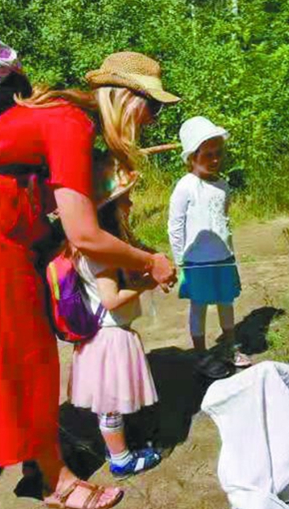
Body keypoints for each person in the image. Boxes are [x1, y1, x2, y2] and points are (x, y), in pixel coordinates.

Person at [0, 51, 178, 509]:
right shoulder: (72, 122)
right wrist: (149, 259)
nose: (152, 120)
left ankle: (39, 460)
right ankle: (58, 484)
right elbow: (85, 234)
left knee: (19, 350)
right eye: (151, 107)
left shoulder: (60, 115)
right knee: (25, 354)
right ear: (126, 98)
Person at [68, 168, 161, 478]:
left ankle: (117, 447)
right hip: (110, 335)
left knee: (110, 402)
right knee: (110, 404)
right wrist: (146, 285)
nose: (131, 205)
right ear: (109, 209)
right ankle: (121, 458)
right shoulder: (102, 253)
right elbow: (110, 298)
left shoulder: (91, 249)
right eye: (126, 200)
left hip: (103, 334)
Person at [167, 116, 250, 377]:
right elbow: (175, 226)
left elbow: (224, 223)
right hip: (197, 262)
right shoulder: (185, 187)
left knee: (226, 302)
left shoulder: (223, 186)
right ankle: (201, 353)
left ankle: (229, 344)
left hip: (223, 257)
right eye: (208, 154)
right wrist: (181, 261)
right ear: (192, 157)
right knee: (199, 305)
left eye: (218, 153)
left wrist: (232, 256)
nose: (215, 159)